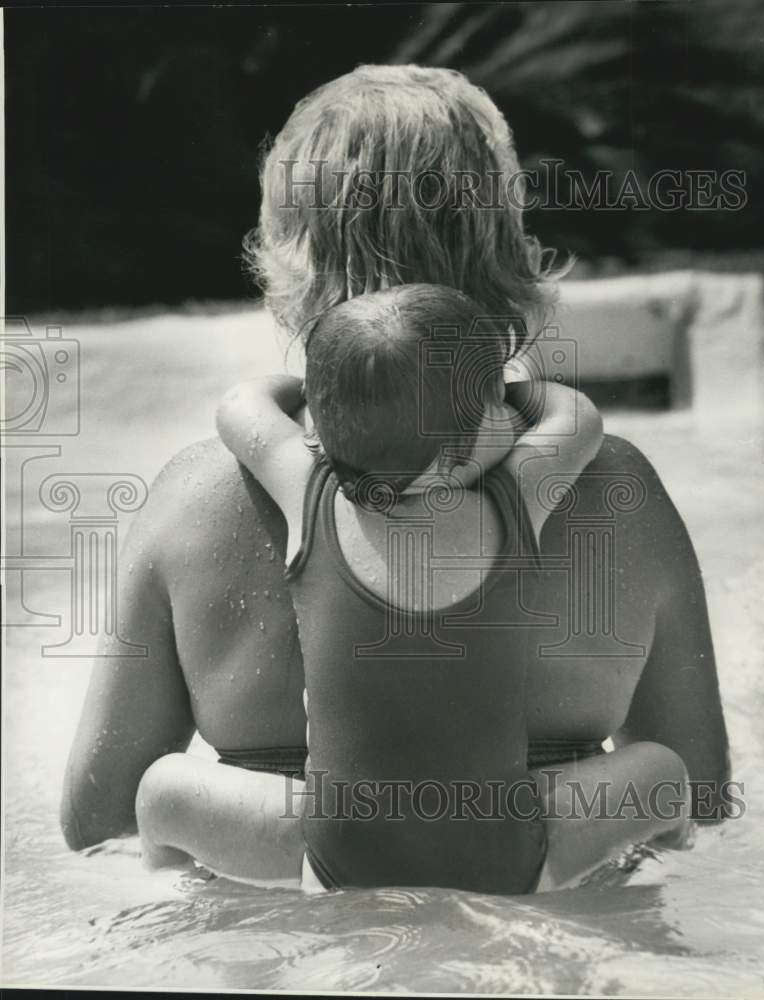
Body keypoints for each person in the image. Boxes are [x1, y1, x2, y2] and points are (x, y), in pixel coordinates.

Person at [62, 65, 729, 890]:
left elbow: (97, 823)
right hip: (525, 891)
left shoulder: (199, 498)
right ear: (510, 248)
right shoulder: (611, 489)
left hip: (291, 925)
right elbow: (696, 799)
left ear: (285, 255)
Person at [135, 283, 609, 892]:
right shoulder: (516, 499)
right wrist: (514, 399)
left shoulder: (304, 491)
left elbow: (239, 408)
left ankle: (169, 889)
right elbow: (578, 417)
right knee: (663, 773)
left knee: (163, 789)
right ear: (467, 442)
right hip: (512, 859)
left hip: (331, 861)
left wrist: (320, 395)